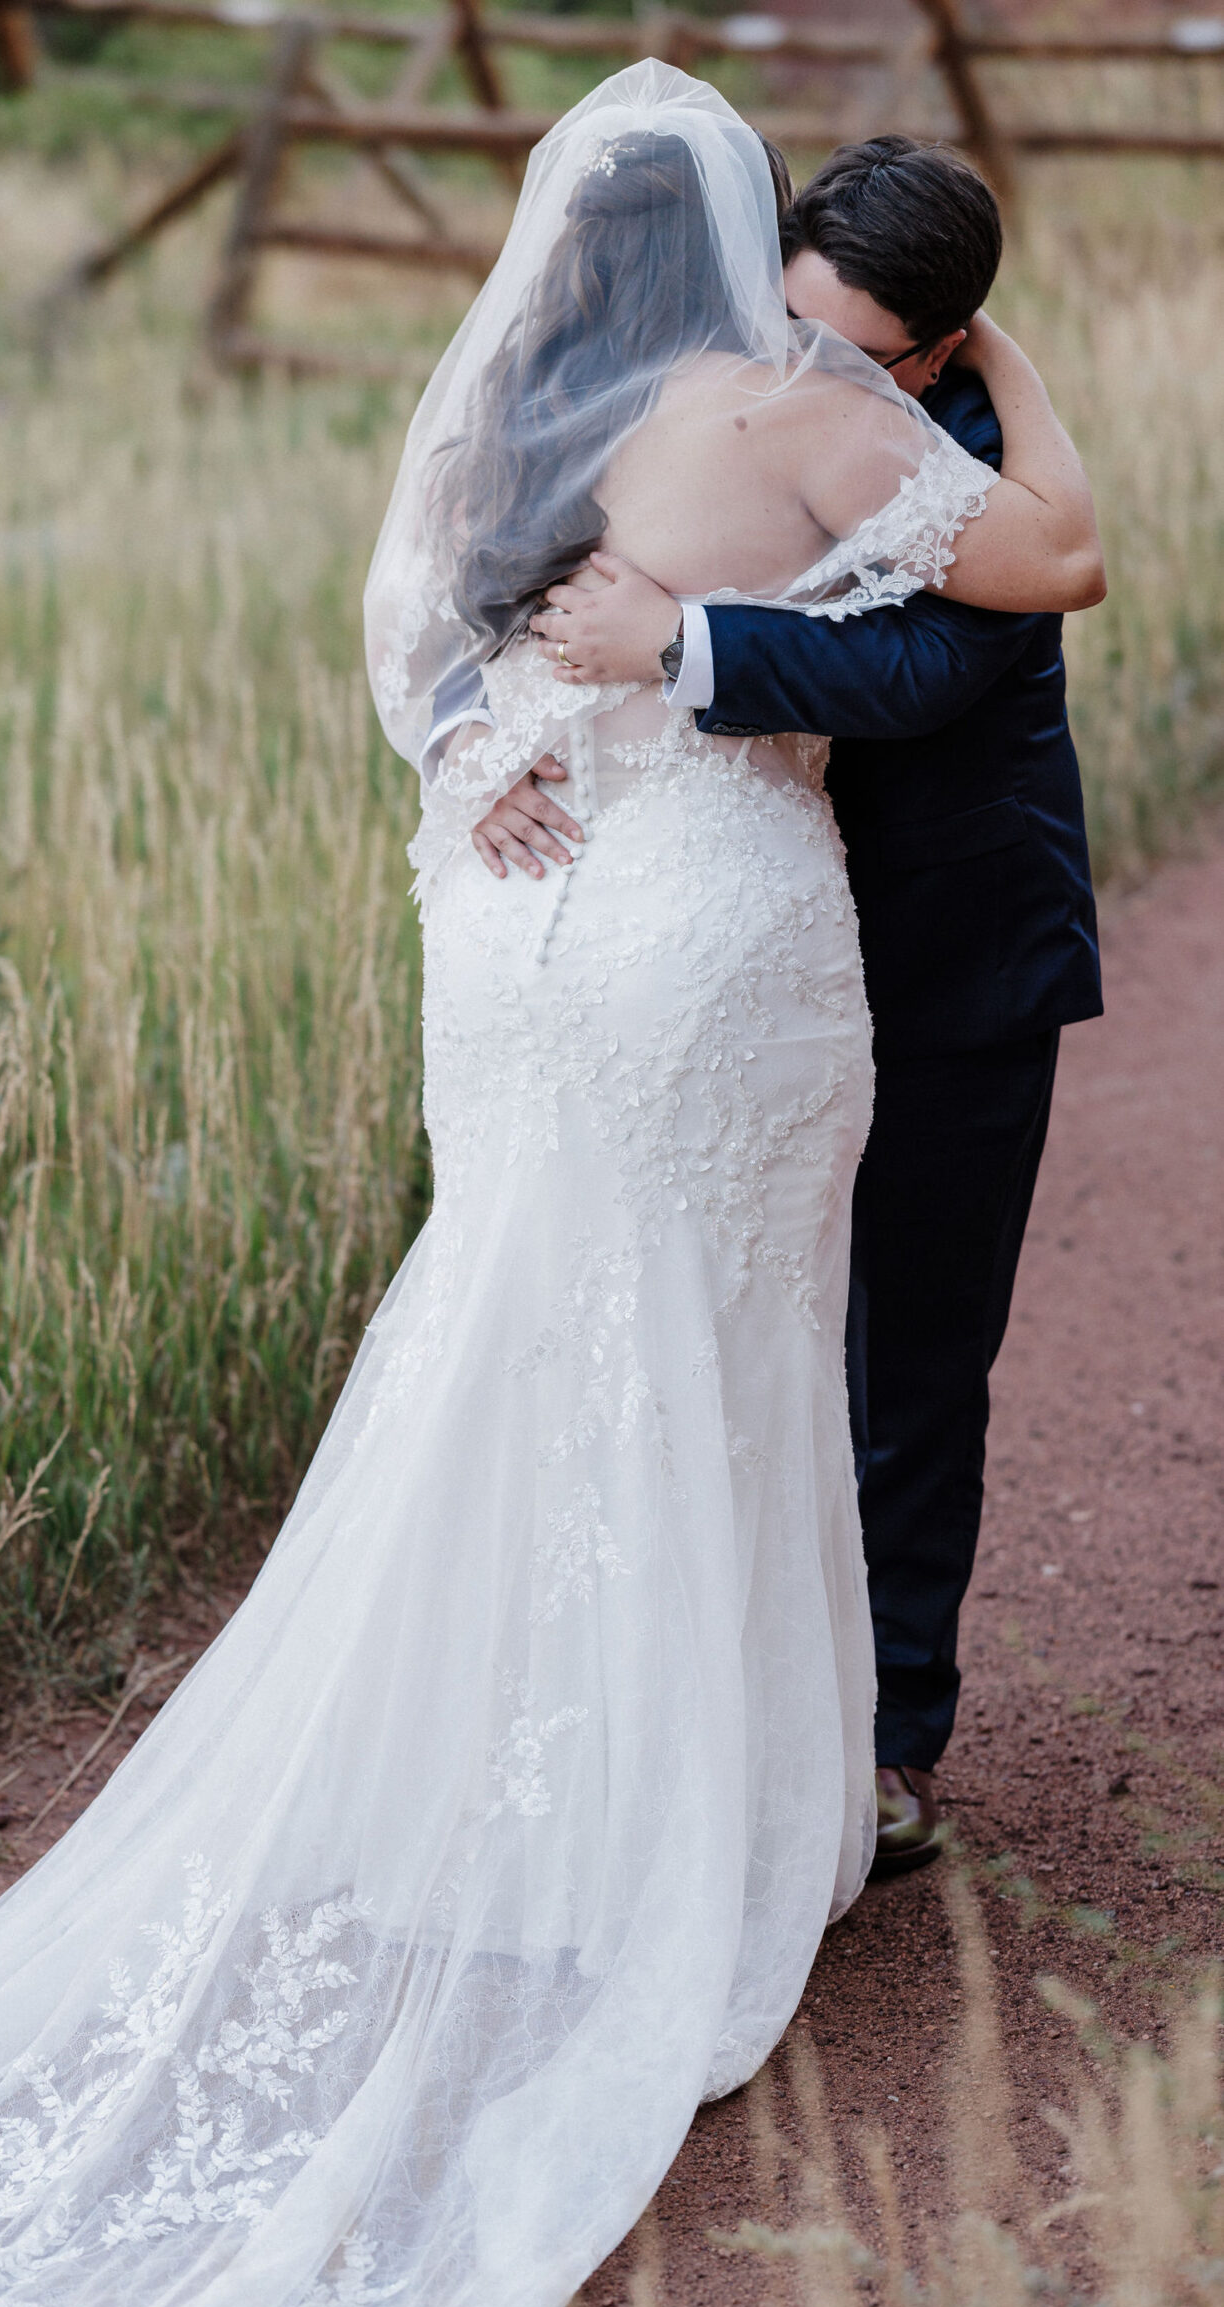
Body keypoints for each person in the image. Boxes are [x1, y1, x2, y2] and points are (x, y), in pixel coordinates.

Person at [0, 68, 1102, 2307]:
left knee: (518, 1331)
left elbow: (421, 661)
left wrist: (495, 731)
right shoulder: (797, 413)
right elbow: (1048, 559)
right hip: (697, 932)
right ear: (740, 261)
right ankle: (702, 1815)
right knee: (705, 1352)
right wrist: (971, 391)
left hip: (512, 926)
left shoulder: (491, 420)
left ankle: (511, 1778)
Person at [472, 136, 1104, 1878]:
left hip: (950, 944)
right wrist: (488, 742)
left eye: (854, 354)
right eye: (794, 324)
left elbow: (930, 666)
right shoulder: (721, 376)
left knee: (906, 1353)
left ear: (938, 350)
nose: (809, 373)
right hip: (732, 949)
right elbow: (511, 551)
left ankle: (888, 1743)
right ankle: (710, 1716)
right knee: (711, 1329)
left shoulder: (971, 454)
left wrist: (679, 646)